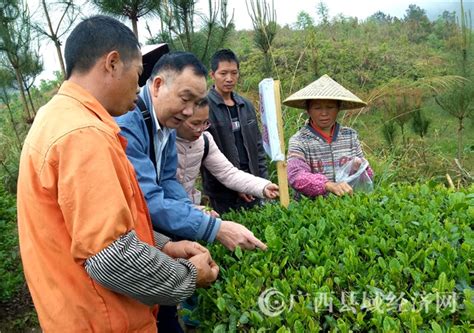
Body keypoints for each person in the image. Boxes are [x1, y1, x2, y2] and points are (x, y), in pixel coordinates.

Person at [16, 16, 219, 332]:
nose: (139, 88)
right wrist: (189, 276)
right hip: (102, 320)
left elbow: (93, 234)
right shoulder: (84, 134)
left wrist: (162, 245)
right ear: (112, 63)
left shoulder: (55, 118)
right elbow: (111, 258)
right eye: (138, 74)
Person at [115, 51, 266, 251]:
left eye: (196, 103)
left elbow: (168, 180)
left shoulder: (166, 122)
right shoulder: (128, 125)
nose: (188, 111)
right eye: (185, 98)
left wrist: (189, 210)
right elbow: (147, 198)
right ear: (158, 85)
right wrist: (215, 229)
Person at [284, 74, 374, 198]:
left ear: (338, 109)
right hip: (311, 208)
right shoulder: (299, 140)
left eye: (330, 107)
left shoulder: (350, 136)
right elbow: (296, 175)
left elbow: (366, 174)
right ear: (308, 110)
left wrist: (359, 168)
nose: (324, 113)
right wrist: (328, 185)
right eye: (317, 108)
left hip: (346, 204)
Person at [175, 98, 280, 205]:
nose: (201, 129)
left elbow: (227, 173)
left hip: (188, 209)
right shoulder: (162, 142)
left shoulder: (204, 140)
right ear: (178, 118)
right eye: (195, 123)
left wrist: (263, 186)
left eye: (205, 123)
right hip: (166, 210)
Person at [204, 49, 269, 214]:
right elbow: (203, 154)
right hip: (222, 191)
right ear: (212, 74)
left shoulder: (245, 105)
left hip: (253, 183)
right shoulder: (204, 107)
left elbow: (257, 146)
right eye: (223, 73)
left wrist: (262, 181)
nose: (229, 79)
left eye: (234, 73)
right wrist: (237, 185)